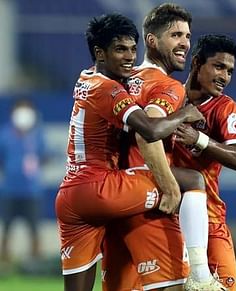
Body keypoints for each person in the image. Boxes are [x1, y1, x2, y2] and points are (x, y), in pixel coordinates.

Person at [55, 13, 203, 291]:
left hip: (69, 199)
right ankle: (203, 275)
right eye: (120, 49)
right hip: (101, 189)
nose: (129, 57)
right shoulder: (108, 89)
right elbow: (148, 130)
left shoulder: (85, 78)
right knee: (191, 181)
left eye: (133, 49)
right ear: (100, 53)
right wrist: (185, 113)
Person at [103, 33, 236, 291]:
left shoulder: (226, 108)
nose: (224, 76)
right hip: (160, 216)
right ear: (196, 63)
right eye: (218, 66)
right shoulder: (167, 94)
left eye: (230, 71)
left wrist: (199, 139)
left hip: (209, 220)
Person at [0, 99, 47, 263]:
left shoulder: (38, 135)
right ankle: (4, 263)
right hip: (10, 190)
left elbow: (43, 156)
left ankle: (36, 263)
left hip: (32, 191)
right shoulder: (4, 134)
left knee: (34, 229)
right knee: (6, 228)